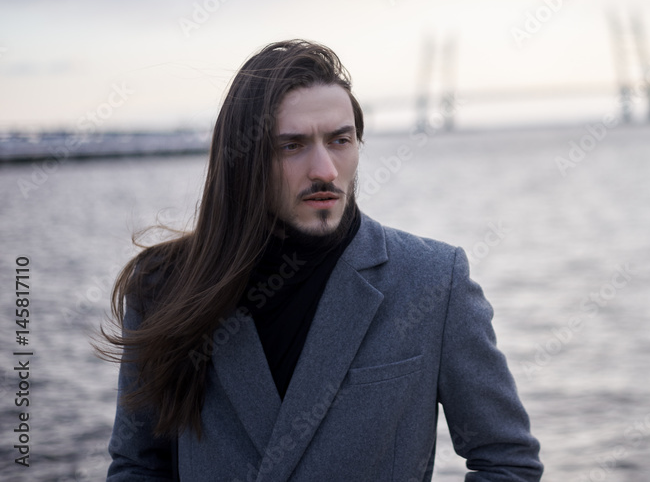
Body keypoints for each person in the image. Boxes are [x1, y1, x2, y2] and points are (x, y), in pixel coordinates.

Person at [100, 39, 543, 481]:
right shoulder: (163, 285)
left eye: (340, 141)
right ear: (244, 161)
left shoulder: (433, 282)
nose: (325, 170)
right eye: (292, 145)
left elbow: (507, 461)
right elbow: (138, 466)